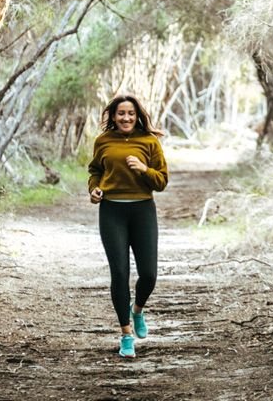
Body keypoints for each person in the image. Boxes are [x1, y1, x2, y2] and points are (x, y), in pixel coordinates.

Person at [87, 93, 169, 359]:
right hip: (112, 211)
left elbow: (162, 181)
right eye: (121, 113)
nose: (126, 118)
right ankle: (125, 335)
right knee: (119, 274)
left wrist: (144, 169)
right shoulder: (103, 141)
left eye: (131, 114)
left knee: (149, 274)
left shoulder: (149, 142)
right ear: (113, 116)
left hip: (142, 210)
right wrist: (95, 190)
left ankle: (137, 310)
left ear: (137, 116)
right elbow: (95, 171)